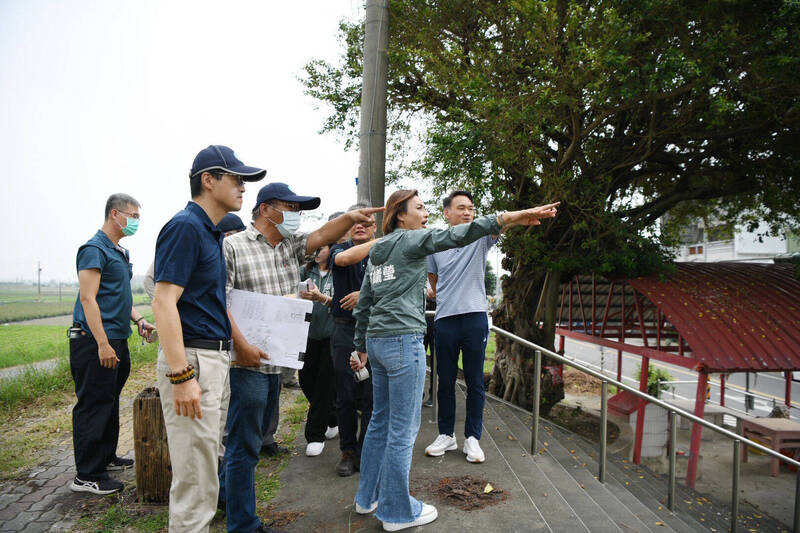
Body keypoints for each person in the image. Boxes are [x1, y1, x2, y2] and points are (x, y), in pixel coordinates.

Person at [351, 190, 559, 531]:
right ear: (400, 215)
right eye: (419, 208)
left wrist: (360, 344)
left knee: (379, 423)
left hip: (376, 342)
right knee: (403, 431)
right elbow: (460, 233)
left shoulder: (379, 250)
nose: (425, 213)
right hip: (403, 341)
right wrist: (512, 216)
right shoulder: (413, 241)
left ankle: (367, 498)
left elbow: (365, 303)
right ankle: (397, 511)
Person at [219, 183, 382, 533]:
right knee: (243, 446)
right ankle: (240, 522)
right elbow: (222, 300)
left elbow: (323, 233)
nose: (297, 216)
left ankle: (237, 509)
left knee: (250, 443)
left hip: (276, 362)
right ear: (266, 209)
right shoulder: (232, 246)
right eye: (290, 208)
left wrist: (351, 218)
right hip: (246, 362)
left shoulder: (290, 248)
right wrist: (241, 343)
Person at [152, 145, 265, 533]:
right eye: (236, 179)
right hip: (194, 360)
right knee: (195, 480)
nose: (243, 188)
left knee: (204, 470)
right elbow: (164, 300)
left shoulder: (210, 232)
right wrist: (183, 377)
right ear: (208, 180)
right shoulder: (186, 227)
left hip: (212, 359)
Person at [69, 193, 155, 495]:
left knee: (108, 400)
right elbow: (88, 298)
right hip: (94, 341)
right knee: (93, 404)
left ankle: (105, 456)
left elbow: (118, 297)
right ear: (115, 214)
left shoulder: (119, 251)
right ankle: (87, 475)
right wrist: (102, 344)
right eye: (133, 216)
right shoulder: (94, 249)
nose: (136, 222)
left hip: (117, 337)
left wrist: (139, 321)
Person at [424, 190, 497, 463]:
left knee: (476, 380)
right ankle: (446, 435)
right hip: (445, 319)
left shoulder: (479, 237)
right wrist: (440, 292)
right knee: (444, 379)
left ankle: (472, 438)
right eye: (461, 207)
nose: (468, 212)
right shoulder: (436, 242)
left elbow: (498, 225)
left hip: (475, 316)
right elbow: (433, 277)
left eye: (471, 208)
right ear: (447, 213)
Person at [329, 204, 378, 476]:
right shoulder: (339, 250)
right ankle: (347, 450)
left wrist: (365, 294)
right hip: (345, 329)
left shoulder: (384, 253)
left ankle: (365, 449)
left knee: (372, 394)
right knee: (345, 394)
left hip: (375, 329)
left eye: (366, 221)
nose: (360, 225)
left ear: (375, 227)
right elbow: (343, 261)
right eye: (355, 222)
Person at [143, 213, 246, 300]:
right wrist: (171, 309)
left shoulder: (223, 256)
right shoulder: (187, 245)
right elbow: (149, 279)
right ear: (227, 235)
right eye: (239, 236)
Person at [297, 242, 337, 456]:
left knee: (324, 384)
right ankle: (332, 416)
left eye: (322, 248)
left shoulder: (339, 271)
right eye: (315, 249)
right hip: (307, 335)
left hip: (332, 335)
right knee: (305, 380)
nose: (317, 253)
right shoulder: (305, 271)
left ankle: (315, 435)